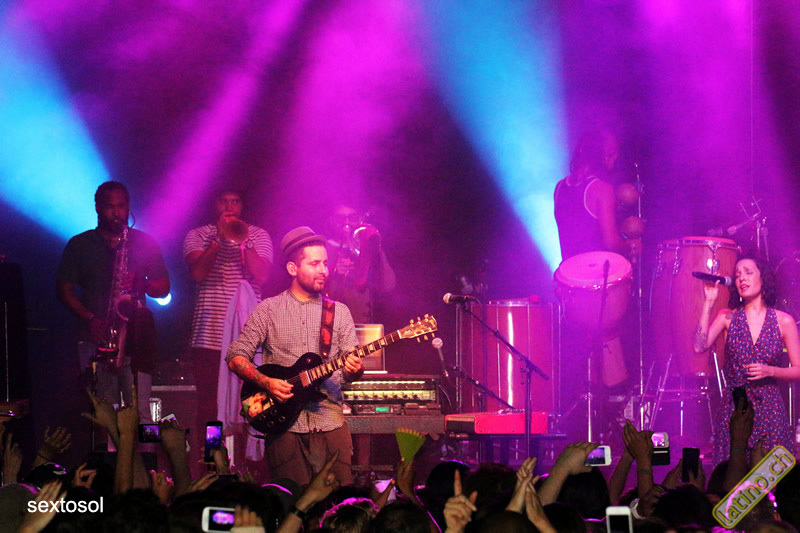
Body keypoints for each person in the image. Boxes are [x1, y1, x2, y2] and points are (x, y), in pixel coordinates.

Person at [225, 226, 363, 486]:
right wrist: (266, 382)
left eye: (325, 263)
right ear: (292, 268)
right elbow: (235, 356)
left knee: (339, 503)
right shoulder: (268, 309)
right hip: (284, 428)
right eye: (314, 264)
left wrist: (354, 369)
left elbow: (349, 373)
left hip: (331, 424)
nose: (324, 270)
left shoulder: (340, 312)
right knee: (291, 503)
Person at [56, 181, 169, 425]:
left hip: (136, 341)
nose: (117, 213)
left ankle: (145, 451)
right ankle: (108, 452)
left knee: (141, 414)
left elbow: (164, 289)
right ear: (97, 208)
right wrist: (90, 318)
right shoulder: (79, 244)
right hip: (95, 339)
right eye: (110, 207)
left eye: (121, 206)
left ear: (129, 206)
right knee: (104, 416)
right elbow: (64, 291)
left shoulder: (145, 242)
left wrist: (142, 283)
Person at [183, 189, 273, 438]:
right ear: (215, 204)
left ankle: (249, 458)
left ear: (242, 206)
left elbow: (262, 277)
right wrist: (218, 241)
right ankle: (212, 456)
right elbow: (198, 273)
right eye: (224, 201)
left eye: (235, 201)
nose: (229, 207)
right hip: (209, 337)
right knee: (209, 406)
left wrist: (244, 243)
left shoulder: (258, 235)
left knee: (253, 403)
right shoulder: (198, 235)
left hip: (249, 337)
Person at [694, 255, 800, 464]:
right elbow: (699, 346)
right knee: (733, 475)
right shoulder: (727, 317)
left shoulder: (783, 321)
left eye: (748, 272)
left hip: (770, 409)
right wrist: (708, 303)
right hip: (735, 409)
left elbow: (798, 369)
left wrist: (771, 371)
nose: (742, 278)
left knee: (771, 476)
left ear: (763, 278)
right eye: (737, 275)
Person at [324, 204, 395, 324]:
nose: (346, 222)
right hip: (333, 325)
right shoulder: (323, 248)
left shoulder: (369, 249)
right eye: (340, 218)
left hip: (364, 324)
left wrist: (375, 250)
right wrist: (335, 272)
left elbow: (388, 286)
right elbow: (319, 295)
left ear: (359, 219)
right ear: (332, 221)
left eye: (352, 218)